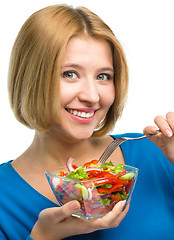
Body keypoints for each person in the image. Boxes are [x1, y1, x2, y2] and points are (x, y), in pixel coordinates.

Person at [0, 4, 174, 240]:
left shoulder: (155, 153)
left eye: (103, 76)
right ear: (31, 78)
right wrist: (42, 237)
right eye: (69, 74)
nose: (92, 96)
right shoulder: (4, 196)